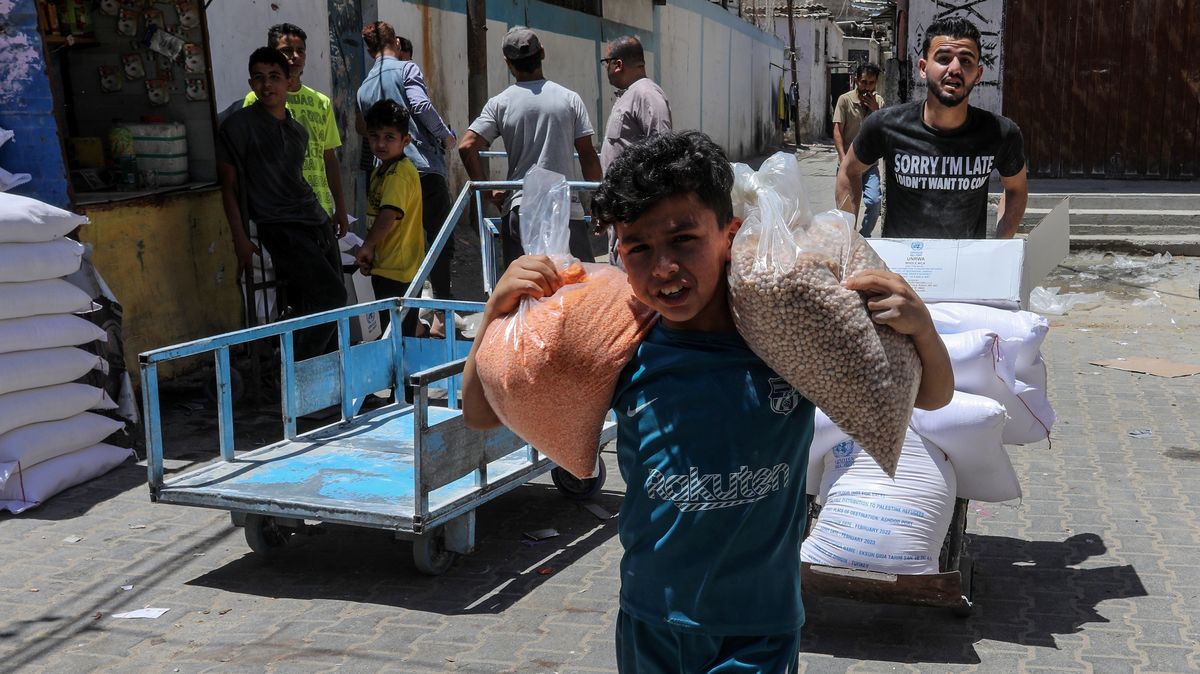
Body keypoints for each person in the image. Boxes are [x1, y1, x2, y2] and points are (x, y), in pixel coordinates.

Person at [461, 131, 954, 673]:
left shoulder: (787, 334)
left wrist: (922, 329)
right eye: (639, 249)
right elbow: (481, 414)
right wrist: (495, 313)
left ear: (730, 233)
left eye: (684, 239)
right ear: (618, 252)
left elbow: (929, 397)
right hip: (654, 619)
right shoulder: (622, 342)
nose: (663, 269)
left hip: (759, 626)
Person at [835, 16, 1028, 239]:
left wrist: (1000, 245)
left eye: (966, 61)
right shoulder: (885, 125)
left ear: (978, 74)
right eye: (944, 58)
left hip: (965, 268)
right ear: (923, 68)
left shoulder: (1001, 133)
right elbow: (849, 171)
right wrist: (846, 241)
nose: (955, 68)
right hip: (900, 269)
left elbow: (1016, 188)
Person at [218, 47, 346, 360]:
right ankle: (293, 373)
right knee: (333, 297)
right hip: (279, 226)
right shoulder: (237, 127)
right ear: (251, 83)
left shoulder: (297, 130)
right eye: (259, 78)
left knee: (317, 303)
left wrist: (334, 211)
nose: (267, 85)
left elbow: (300, 178)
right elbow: (230, 188)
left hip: (314, 220)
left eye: (274, 77)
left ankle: (326, 386)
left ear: (289, 82)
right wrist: (240, 238)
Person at [458, 26, 603, 266]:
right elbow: (587, 154)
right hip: (565, 209)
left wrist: (488, 193)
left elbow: (466, 146)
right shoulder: (569, 99)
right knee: (579, 287)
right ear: (542, 53)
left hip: (521, 207)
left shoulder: (500, 103)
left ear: (508, 63)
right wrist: (600, 200)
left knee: (525, 290)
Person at [358, 21, 458, 323]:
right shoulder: (406, 69)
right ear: (397, 44)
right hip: (423, 166)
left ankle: (406, 316)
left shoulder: (364, 88)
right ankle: (442, 314)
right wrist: (445, 135)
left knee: (402, 240)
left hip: (388, 174)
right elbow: (420, 104)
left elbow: (362, 127)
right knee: (439, 239)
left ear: (369, 50)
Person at [244, 23, 350, 239]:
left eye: (300, 50)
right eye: (286, 51)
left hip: (319, 209)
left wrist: (340, 207)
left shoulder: (321, 102)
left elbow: (329, 157)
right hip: (279, 213)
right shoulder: (257, 100)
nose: (294, 56)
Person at [599, 35, 672, 267]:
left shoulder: (646, 94)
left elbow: (663, 149)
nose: (606, 68)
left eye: (606, 62)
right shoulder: (629, 95)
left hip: (636, 209)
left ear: (617, 64)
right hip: (620, 206)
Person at [358, 100, 424, 336]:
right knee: (392, 331)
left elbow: (388, 215)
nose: (381, 144)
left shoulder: (399, 173)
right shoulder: (382, 170)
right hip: (386, 265)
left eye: (389, 137)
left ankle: (405, 371)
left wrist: (367, 245)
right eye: (375, 136)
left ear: (405, 141)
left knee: (396, 336)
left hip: (399, 270)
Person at [832, 62, 884, 237]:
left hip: (869, 164)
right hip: (848, 164)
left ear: (876, 83)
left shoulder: (879, 102)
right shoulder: (845, 100)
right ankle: (848, 241)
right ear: (856, 80)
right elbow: (837, 131)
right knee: (847, 208)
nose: (866, 87)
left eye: (871, 83)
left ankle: (863, 236)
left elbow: (883, 129)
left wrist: (875, 110)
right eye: (863, 82)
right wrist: (842, 159)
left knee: (875, 201)